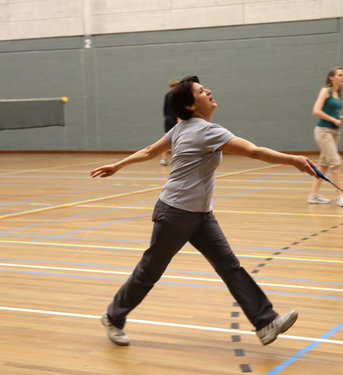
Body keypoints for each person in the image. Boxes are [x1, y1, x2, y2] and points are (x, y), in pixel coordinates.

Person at [91, 75, 319, 347]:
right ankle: (113, 317)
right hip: (175, 214)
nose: (209, 91)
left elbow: (150, 151)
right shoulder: (204, 131)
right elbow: (254, 152)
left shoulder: (183, 128)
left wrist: (118, 165)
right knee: (149, 272)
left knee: (229, 266)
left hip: (200, 215)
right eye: (201, 91)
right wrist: (293, 160)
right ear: (190, 105)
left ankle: (265, 322)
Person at [308, 67, 343, 207]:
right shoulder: (325, 91)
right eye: (340, 75)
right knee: (335, 163)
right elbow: (316, 111)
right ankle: (341, 197)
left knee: (323, 165)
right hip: (323, 132)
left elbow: (333, 115)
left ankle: (313, 195)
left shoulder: (337, 93)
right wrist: (334, 120)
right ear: (331, 78)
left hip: (335, 132)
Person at [160, 79, 179, 166]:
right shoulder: (177, 95)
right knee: (177, 139)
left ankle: (163, 159)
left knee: (166, 139)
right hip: (174, 119)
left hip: (167, 119)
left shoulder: (166, 95)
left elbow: (164, 110)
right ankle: (177, 159)